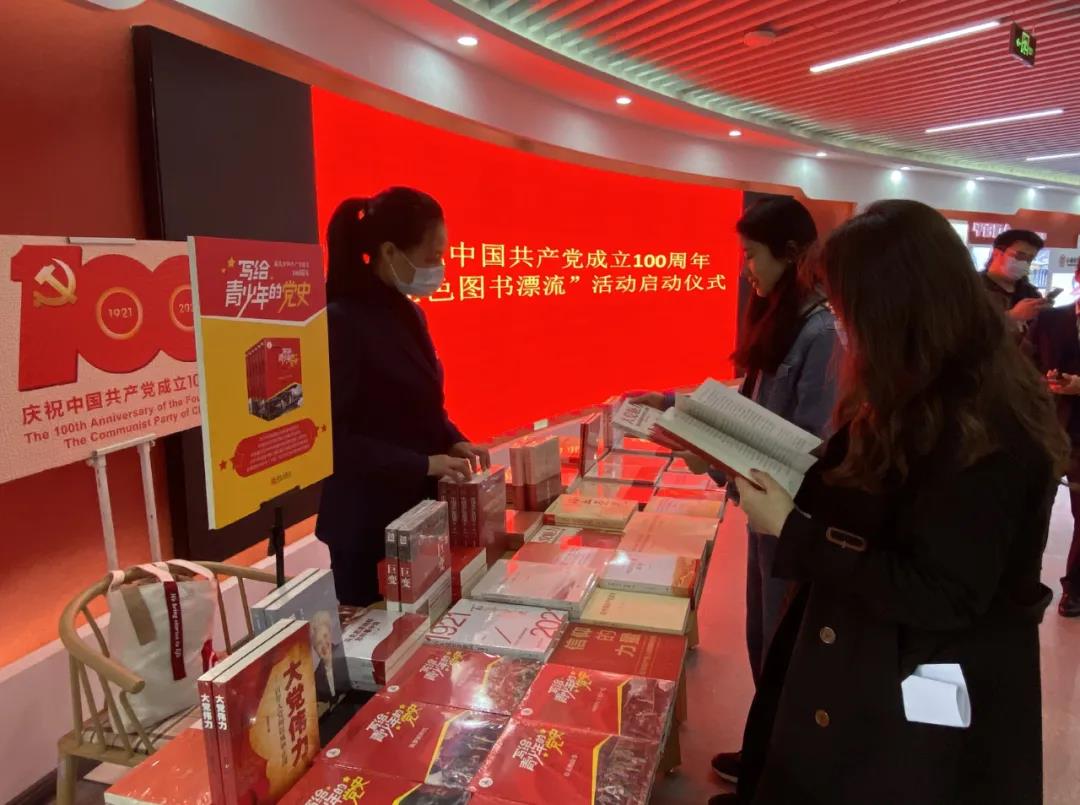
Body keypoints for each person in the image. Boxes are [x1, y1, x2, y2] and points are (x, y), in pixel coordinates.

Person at [726, 200, 1066, 805]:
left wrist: (796, 532)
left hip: (914, 703)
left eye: (845, 309)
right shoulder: (916, 388)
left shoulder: (986, 427)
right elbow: (854, 484)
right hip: (865, 663)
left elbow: (944, 592)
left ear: (894, 309)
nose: (841, 328)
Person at [634, 196, 838, 787]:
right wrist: (676, 406)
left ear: (790, 255)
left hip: (787, 515)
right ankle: (766, 751)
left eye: (752, 255)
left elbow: (804, 447)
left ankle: (777, 768)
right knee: (762, 635)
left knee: (781, 642)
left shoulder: (821, 332)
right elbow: (749, 403)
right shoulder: (785, 318)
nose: (746, 268)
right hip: (763, 511)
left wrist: (712, 451)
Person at [317, 188, 489, 606]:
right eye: (432, 256)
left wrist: (452, 438)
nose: (439, 268)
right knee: (379, 634)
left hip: (414, 512)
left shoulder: (410, 313)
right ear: (390, 251)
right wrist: (424, 463)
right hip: (365, 524)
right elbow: (333, 440)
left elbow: (421, 405)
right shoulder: (341, 321)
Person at [1028, 269, 1080, 617]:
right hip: (1047, 430)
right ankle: (1022, 584)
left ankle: (1075, 588)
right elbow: (1021, 365)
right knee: (1032, 511)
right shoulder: (1050, 319)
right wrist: (1043, 382)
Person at [980, 228, 1048, 334]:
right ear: (996, 253)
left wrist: (1047, 314)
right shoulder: (972, 288)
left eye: (1030, 259)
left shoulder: (1030, 293)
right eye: (1020, 256)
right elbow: (963, 330)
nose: (1024, 263)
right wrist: (1012, 317)